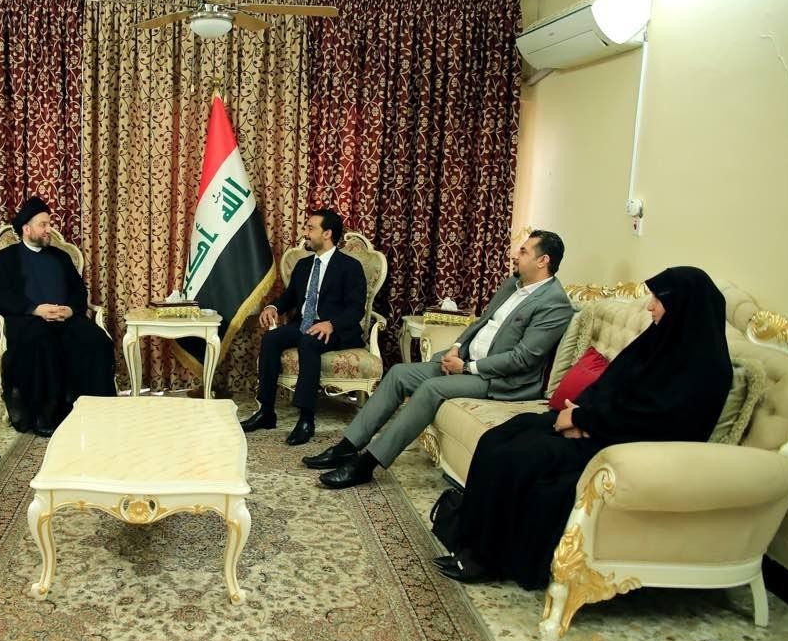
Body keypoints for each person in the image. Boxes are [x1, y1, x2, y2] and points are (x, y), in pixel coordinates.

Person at [436, 266, 732, 589]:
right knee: (500, 436)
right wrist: (577, 413)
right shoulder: (657, 341)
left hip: (624, 450)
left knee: (519, 457)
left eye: (658, 301)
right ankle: (468, 540)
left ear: (683, 307)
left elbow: (658, 422)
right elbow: (610, 384)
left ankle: (485, 559)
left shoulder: (707, 370)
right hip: (596, 424)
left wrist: (582, 421)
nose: (650, 307)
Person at [307, 230, 574, 488]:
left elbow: (522, 359)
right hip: (466, 361)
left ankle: (366, 464)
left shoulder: (554, 303)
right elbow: (481, 322)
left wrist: (467, 367)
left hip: (500, 380)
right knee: (399, 373)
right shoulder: (512, 284)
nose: (516, 255)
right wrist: (457, 347)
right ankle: (347, 447)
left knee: (431, 388)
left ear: (543, 260)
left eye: (524, 251)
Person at [0, 196, 116, 436]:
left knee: (97, 340)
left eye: (49, 224)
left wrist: (70, 309)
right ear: (26, 229)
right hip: (28, 321)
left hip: (66, 319)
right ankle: (45, 416)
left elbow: (79, 291)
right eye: (43, 225)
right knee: (42, 342)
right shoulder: (6, 259)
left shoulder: (61, 257)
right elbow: (2, 296)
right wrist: (36, 310)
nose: (49, 229)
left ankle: (97, 409)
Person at [239, 210, 367, 446]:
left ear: (327, 234)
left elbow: (356, 309)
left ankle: (306, 419)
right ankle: (266, 412)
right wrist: (273, 307)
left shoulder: (350, 267)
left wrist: (331, 323)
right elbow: (288, 297)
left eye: (310, 228)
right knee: (271, 339)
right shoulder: (304, 265)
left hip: (335, 330)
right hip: (304, 324)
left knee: (309, 341)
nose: (305, 233)